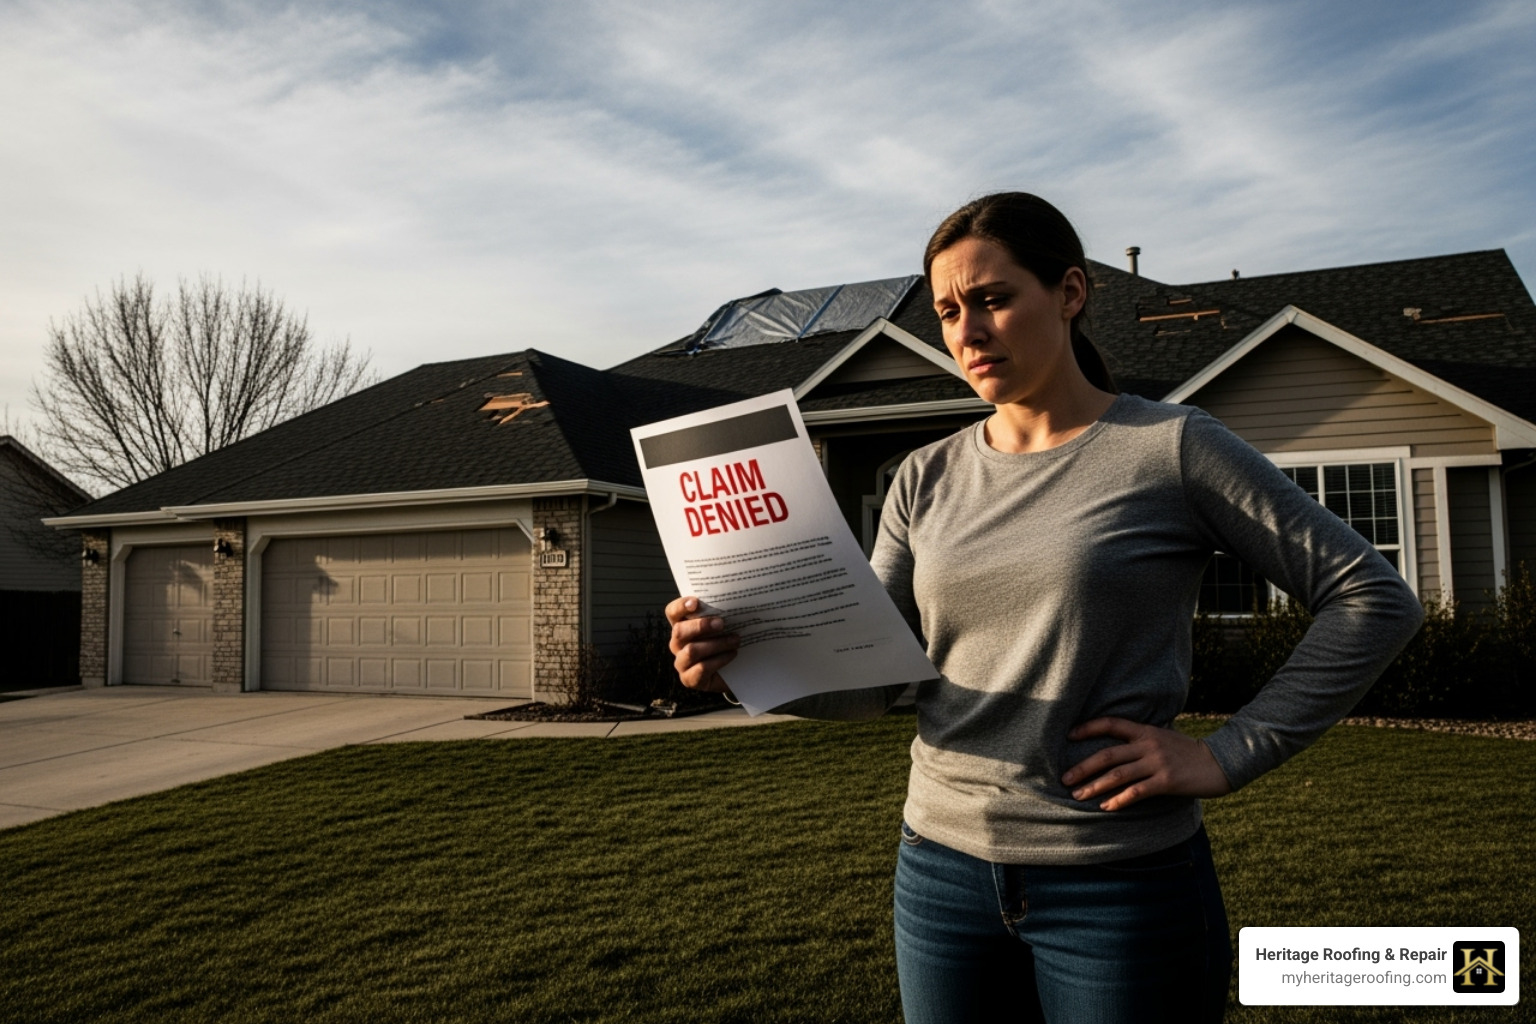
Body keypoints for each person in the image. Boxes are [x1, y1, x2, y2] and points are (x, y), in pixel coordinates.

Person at [665, 192, 1423, 1024]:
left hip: (1118, 881)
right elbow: (875, 683)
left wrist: (1228, 754)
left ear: (1069, 292)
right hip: (938, 873)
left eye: (992, 299)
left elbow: (1372, 597)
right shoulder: (922, 478)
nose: (968, 331)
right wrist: (744, 667)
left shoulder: (1171, 448)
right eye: (948, 312)